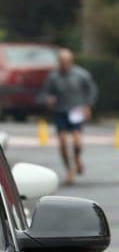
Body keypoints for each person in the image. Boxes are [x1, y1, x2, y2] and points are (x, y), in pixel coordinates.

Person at [40, 48, 98, 185]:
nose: (64, 64)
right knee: (62, 142)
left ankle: (77, 159)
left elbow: (92, 90)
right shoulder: (53, 77)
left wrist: (88, 105)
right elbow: (45, 93)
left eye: (66, 61)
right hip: (60, 110)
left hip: (76, 110)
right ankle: (69, 171)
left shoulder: (82, 74)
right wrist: (49, 99)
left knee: (77, 141)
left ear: (71, 61)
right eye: (61, 61)